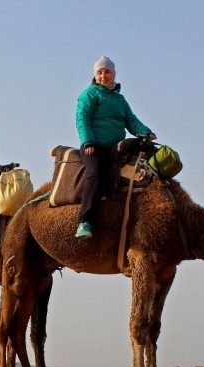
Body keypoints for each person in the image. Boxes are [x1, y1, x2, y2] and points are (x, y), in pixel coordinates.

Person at [75, 56, 156, 238]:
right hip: (94, 146)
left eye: (107, 72)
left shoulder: (120, 99)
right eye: (100, 72)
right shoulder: (89, 94)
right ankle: (84, 221)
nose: (104, 75)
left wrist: (145, 132)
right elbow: (82, 119)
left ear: (113, 74)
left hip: (114, 146)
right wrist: (88, 141)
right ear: (95, 76)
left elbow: (131, 120)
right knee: (95, 174)